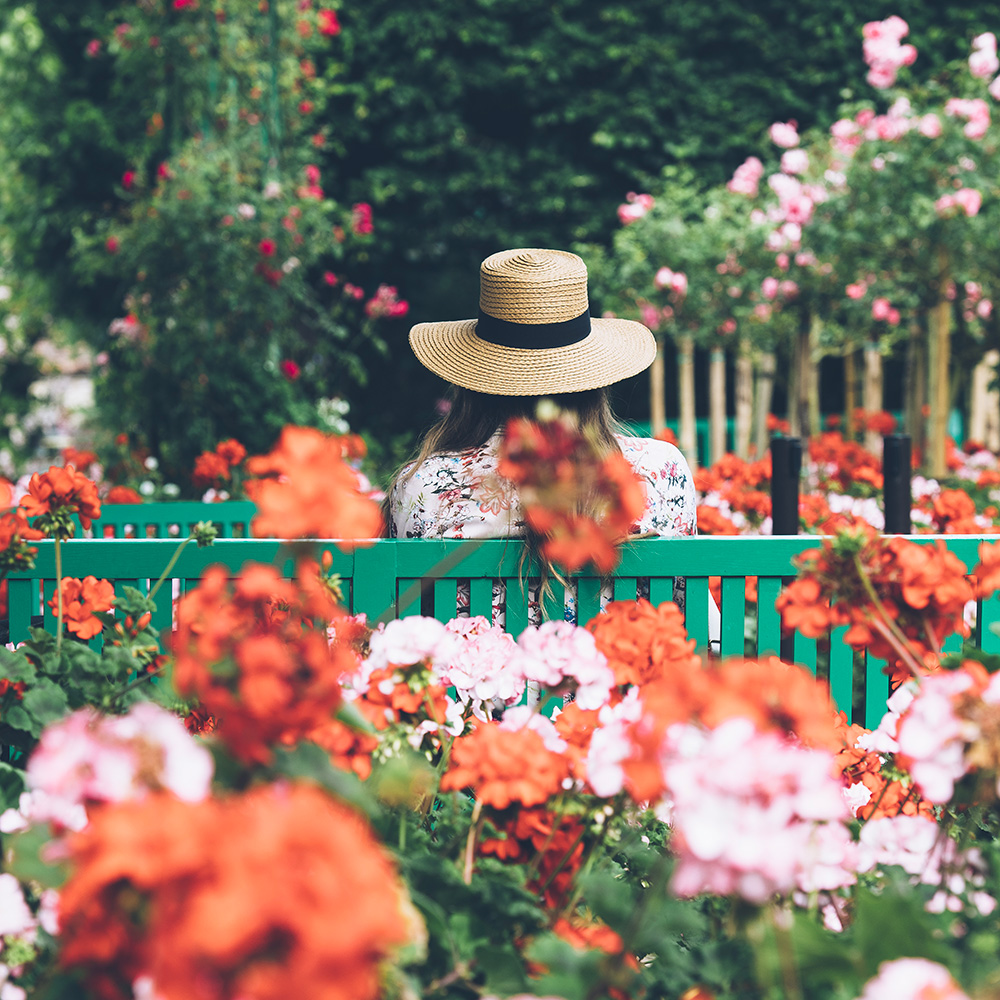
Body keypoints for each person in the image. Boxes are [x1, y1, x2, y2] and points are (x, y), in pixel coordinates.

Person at [386, 247, 715, 634]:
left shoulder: (422, 484)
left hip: (475, 695)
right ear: (592, 378)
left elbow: (402, 632)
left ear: (475, 379)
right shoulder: (660, 470)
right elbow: (701, 630)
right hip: (621, 690)